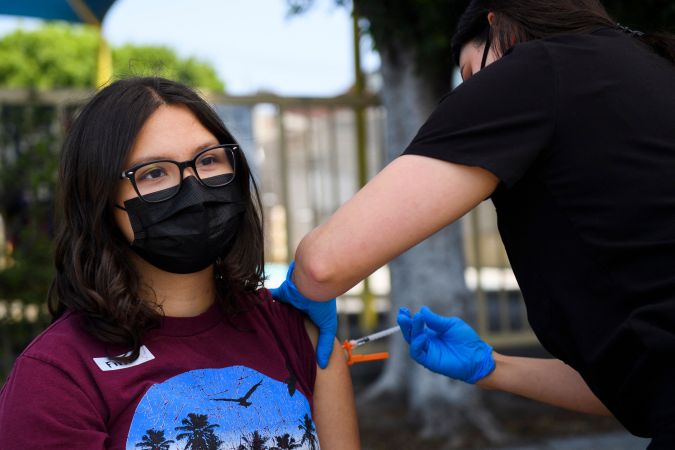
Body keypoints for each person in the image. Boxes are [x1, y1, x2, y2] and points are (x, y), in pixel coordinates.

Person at [271, 0, 675, 448]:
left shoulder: (536, 70)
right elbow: (637, 388)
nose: (476, 94)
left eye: (471, 75)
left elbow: (324, 265)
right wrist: (491, 367)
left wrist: (304, 290)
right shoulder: (653, 70)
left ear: (497, 24)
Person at [0, 77, 359, 450]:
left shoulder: (299, 334)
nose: (194, 187)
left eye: (208, 160)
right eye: (154, 172)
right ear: (100, 201)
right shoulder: (55, 379)